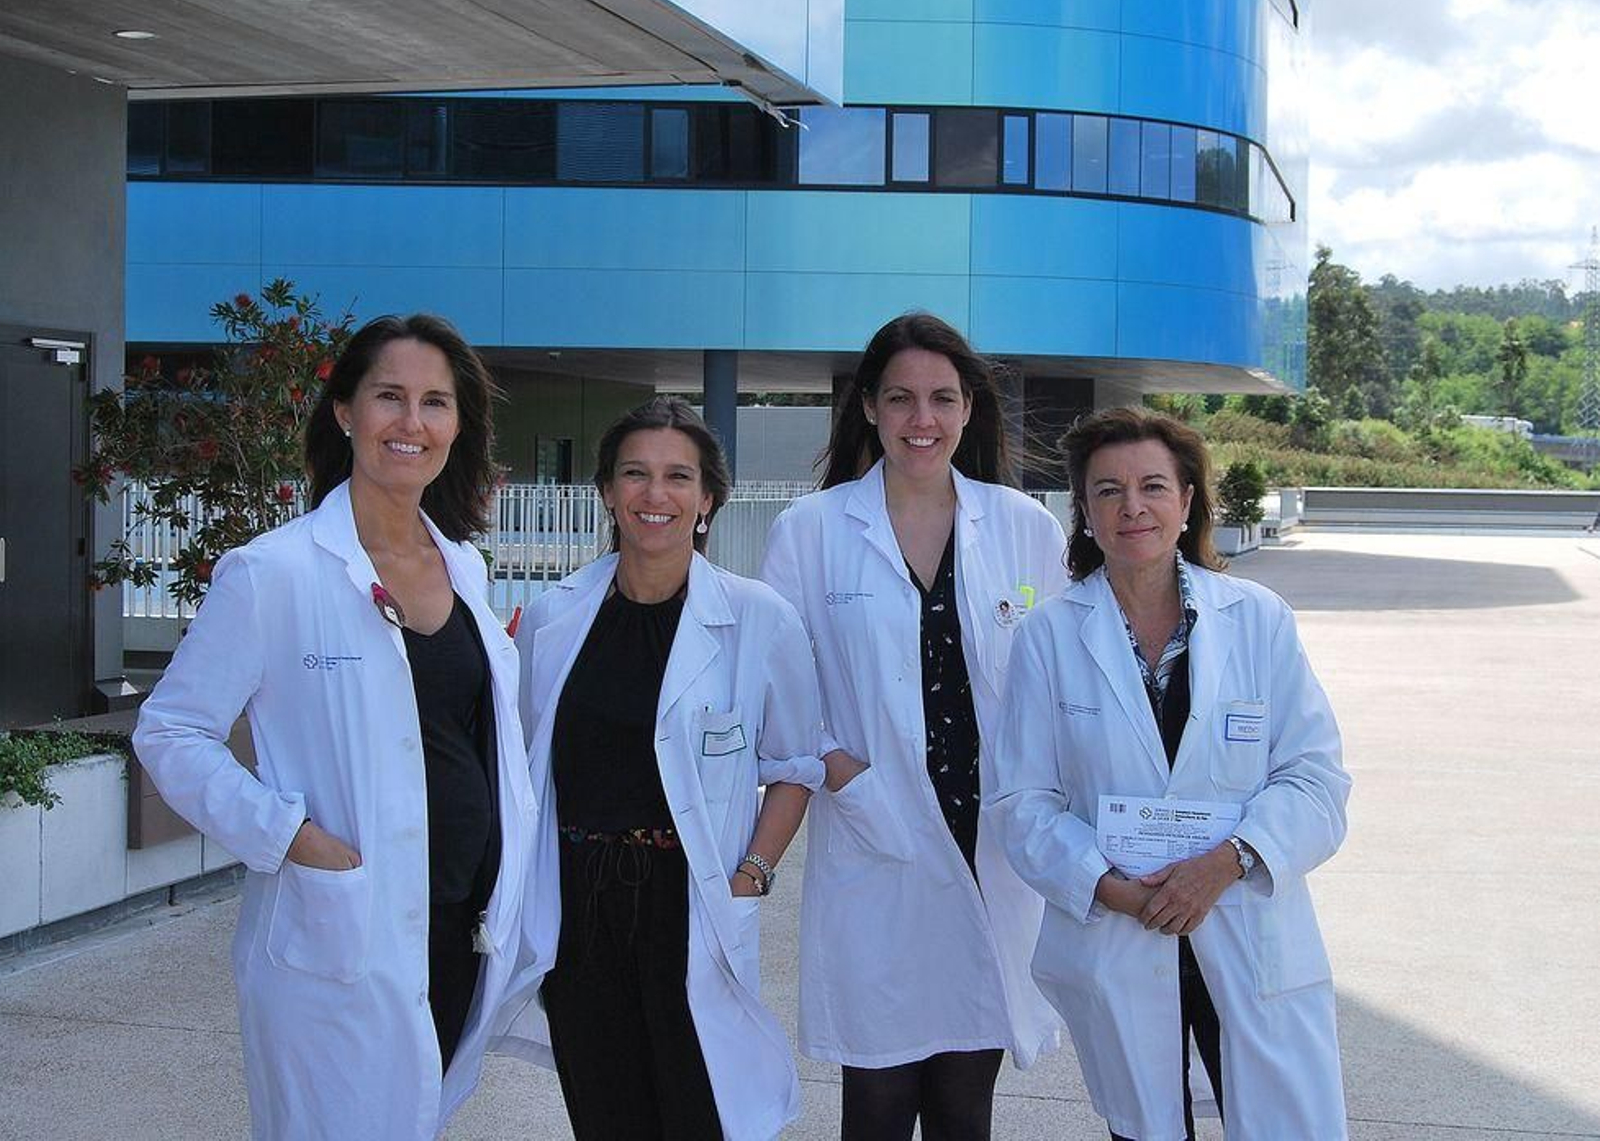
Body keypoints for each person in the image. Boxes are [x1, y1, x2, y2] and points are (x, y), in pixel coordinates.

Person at [132, 314, 534, 1141]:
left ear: (459, 427)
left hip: (458, 924)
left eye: (435, 403)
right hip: (343, 929)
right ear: (346, 412)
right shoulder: (272, 573)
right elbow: (171, 731)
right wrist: (290, 837)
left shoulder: (464, 567)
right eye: (389, 397)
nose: (412, 424)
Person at [989, 407, 1352, 1141]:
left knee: (1278, 1124)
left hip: (1244, 921)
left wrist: (1226, 863)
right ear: (1083, 513)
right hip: (1122, 931)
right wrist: (1102, 884)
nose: (1133, 508)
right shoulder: (1049, 638)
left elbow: (1315, 779)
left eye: (1153, 486)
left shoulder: (1258, 619)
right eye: (1108, 491)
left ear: (1187, 503)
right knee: (1147, 1127)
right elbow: (1020, 801)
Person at [760, 313, 1069, 1141]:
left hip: (989, 842)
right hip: (879, 836)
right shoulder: (812, 531)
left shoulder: (1023, 528)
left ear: (969, 409)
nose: (920, 419)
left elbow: (1056, 680)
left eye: (941, 398)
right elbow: (782, 691)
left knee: (967, 1104)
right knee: (878, 1100)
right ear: (868, 407)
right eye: (900, 398)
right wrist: (844, 773)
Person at [493, 396, 825, 1141]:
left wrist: (753, 874)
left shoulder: (756, 617)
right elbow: (519, 767)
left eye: (678, 477)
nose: (656, 495)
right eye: (635, 474)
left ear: (707, 498)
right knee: (605, 1110)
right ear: (608, 491)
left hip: (691, 898)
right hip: (577, 905)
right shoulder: (554, 616)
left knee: (697, 1109)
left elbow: (797, 765)